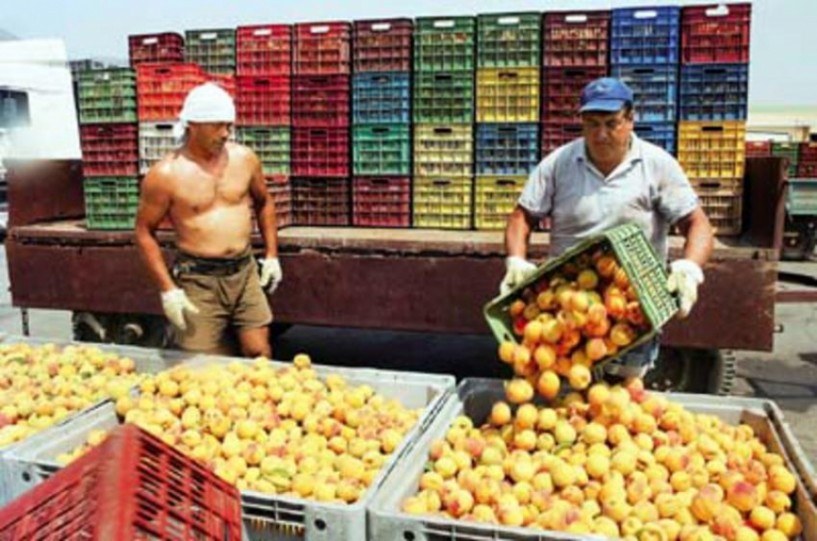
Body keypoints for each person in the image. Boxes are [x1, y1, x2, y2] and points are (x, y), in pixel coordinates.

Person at [500, 77, 714, 378]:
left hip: (632, 306)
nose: (601, 134)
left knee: (621, 399)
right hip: (565, 307)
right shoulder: (559, 163)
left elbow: (697, 224)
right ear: (581, 122)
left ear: (630, 120)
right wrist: (516, 260)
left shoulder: (656, 165)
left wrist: (690, 269)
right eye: (592, 123)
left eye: (611, 123)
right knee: (561, 393)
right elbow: (522, 216)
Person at [134, 82, 282, 357]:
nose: (226, 133)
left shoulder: (244, 159)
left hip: (244, 271)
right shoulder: (166, 174)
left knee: (259, 352)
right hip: (199, 277)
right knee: (201, 364)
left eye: (229, 125)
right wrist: (168, 289)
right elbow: (144, 232)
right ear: (193, 125)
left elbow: (264, 202)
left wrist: (271, 255)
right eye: (217, 126)